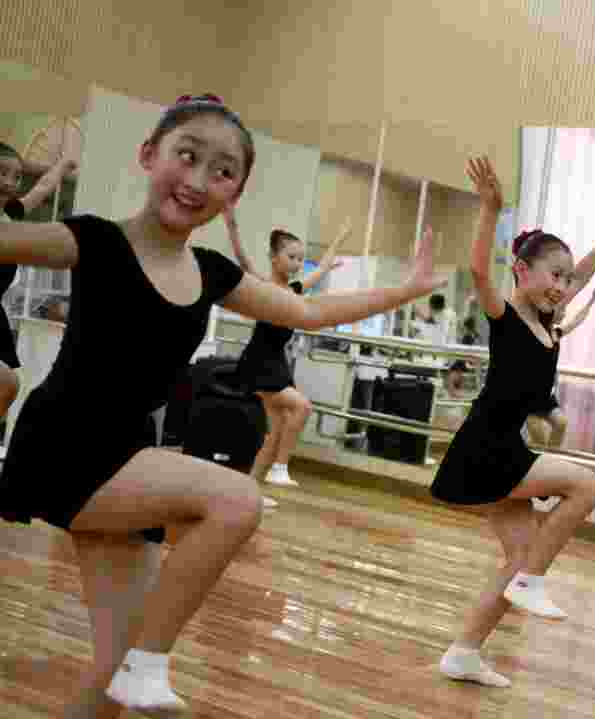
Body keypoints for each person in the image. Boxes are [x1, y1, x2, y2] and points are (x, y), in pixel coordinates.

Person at [0, 93, 443, 718]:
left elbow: (308, 310)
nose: (200, 180)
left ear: (234, 192)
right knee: (236, 499)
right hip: (67, 447)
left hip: (128, 456)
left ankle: (135, 665)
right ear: (149, 156)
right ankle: (150, 662)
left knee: (109, 670)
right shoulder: (93, 240)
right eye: (187, 155)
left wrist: (405, 289)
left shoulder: (211, 271)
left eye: (223, 170)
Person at [430, 155, 595, 688]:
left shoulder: (547, 318)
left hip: (504, 446)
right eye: (554, 275)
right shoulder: (506, 316)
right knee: (586, 485)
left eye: (566, 279)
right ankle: (532, 580)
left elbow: (582, 272)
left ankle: (464, 651)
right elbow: (479, 270)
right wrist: (490, 209)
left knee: (518, 556)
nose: (562, 285)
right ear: (522, 271)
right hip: (487, 448)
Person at [225, 206, 351, 496]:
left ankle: (251, 491)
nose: (296, 263)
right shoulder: (263, 287)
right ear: (274, 258)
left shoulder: (294, 290)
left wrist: (339, 239)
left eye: (300, 258)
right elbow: (243, 260)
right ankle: (280, 467)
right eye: (291, 257)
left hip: (275, 362)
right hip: (259, 362)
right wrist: (232, 226)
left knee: (277, 428)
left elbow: (320, 269)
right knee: (301, 407)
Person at [0, 143, 78, 430]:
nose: (10, 182)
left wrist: (62, 166)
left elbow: (43, 188)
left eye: (17, 177)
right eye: (2, 173)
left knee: (8, 385)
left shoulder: (11, 216)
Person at [524, 282, 595, 450]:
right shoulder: (535, 332)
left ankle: (550, 460)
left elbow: (577, 320)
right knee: (539, 444)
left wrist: (591, 301)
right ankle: (536, 463)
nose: (564, 313)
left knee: (561, 423)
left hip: (546, 397)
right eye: (562, 310)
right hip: (528, 398)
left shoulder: (556, 333)